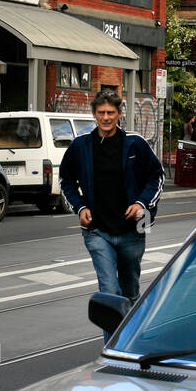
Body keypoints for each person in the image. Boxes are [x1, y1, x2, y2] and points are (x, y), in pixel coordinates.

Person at [59, 89, 164, 306]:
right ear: (94, 114)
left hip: (132, 231)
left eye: (110, 113)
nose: (106, 118)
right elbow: (65, 181)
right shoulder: (80, 146)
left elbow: (157, 176)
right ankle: (113, 342)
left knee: (130, 292)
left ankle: (128, 338)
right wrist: (80, 207)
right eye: (101, 113)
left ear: (119, 114)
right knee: (109, 292)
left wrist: (141, 204)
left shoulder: (135, 143)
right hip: (97, 231)